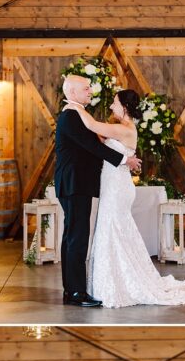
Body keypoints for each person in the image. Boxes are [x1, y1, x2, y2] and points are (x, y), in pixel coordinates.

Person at [63, 89, 185, 308]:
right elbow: (97, 139)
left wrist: (74, 106)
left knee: (112, 228)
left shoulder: (124, 129)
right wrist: (124, 158)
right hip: (113, 185)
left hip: (117, 188)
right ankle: (111, 280)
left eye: (114, 102)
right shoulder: (118, 128)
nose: (111, 106)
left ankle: (117, 283)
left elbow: (93, 126)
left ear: (124, 107)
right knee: (111, 229)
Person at [54, 75, 142, 308]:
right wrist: (125, 160)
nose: (90, 90)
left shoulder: (76, 113)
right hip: (75, 184)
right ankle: (76, 293)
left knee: (73, 236)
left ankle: (71, 289)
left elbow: (95, 140)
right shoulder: (72, 114)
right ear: (72, 92)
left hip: (76, 184)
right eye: (86, 88)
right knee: (77, 238)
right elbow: (92, 146)